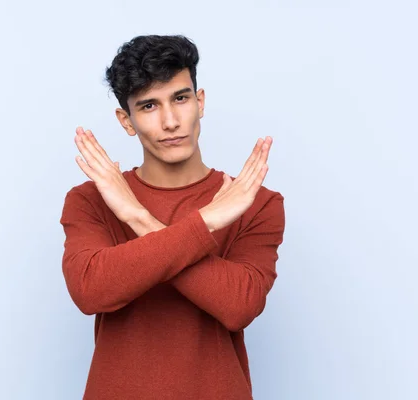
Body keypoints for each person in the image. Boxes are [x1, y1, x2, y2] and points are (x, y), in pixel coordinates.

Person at [59, 34, 285, 400]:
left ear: (200, 102)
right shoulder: (91, 200)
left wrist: (136, 216)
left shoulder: (253, 202)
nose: (169, 121)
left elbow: (239, 305)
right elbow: (90, 290)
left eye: (180, 99)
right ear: (126, 120)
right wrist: (207, 222)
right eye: (148, 106)